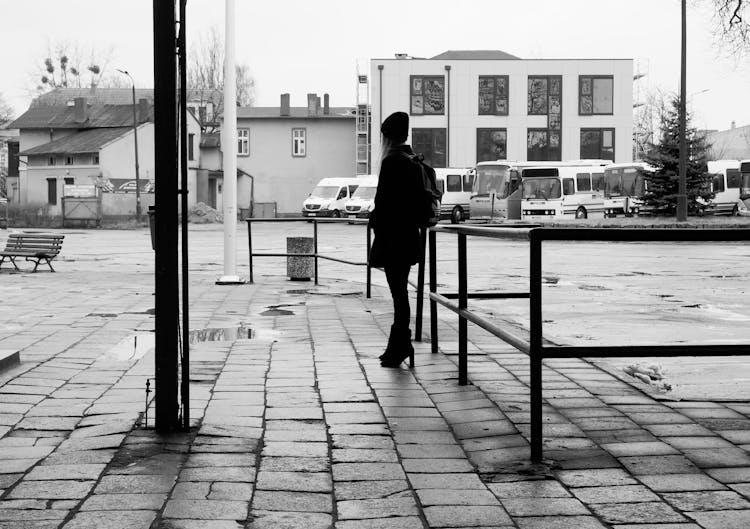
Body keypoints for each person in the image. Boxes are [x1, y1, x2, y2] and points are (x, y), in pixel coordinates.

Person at [368, 111, 422, 368]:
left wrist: (374, 221)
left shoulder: (391, 161)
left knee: (399, 294)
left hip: (393, 239)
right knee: (400, 293)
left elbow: (384, 203)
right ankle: (399, 344)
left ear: (387, 137)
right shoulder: (412, 159)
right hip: (409, 237)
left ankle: (400, 346)